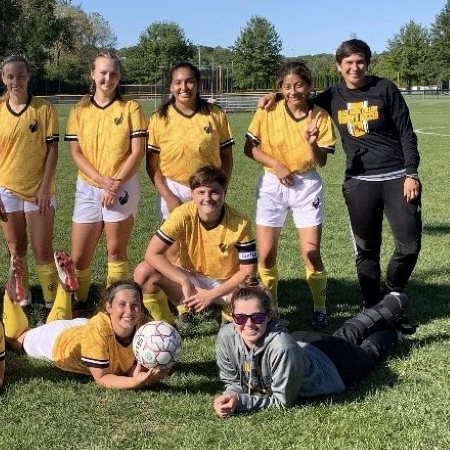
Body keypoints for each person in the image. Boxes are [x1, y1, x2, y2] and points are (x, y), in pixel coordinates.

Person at [258, 39, 421, 309]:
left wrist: (411, 173)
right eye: (349, 63)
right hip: (359, 182)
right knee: (366, 250)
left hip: (396, 177)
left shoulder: (385, 89)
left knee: (409, 246)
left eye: (360, 62)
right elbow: (299, 97)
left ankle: (392, 291)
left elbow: (406, 132)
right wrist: (274, 96)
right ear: (339, 66)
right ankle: (371, 304)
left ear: (367, 64)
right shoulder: (333, 96)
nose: (354, 67)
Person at [213, 278, 412, 417]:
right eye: (240, 317)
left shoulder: (282, 347)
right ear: (232, 316)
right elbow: (232, 379)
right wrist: (231, 394)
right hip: (306, 343)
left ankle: (393, 328)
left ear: (270, 316)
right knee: (344, 336)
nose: (248, 324)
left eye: (257, 317)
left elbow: (283, 401)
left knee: (369, 353)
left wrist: (241, 403)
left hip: (336, 367)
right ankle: (385, 307)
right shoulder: (226, 336)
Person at [244, 62, 336, 329]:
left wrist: (312, 142)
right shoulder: (268, 109)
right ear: (280, 89)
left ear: (308, 86)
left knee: (311, 254)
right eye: (287, 86)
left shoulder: (320, 116)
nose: (293, 91)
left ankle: (320, 307)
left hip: (306, 185)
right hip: (273, 183)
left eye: (299, 85)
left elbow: (321, 162)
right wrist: (277, 165)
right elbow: (250, 148)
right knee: (267, 254)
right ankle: (272, 310)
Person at [59, 51, 147, 309]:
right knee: (79, 256)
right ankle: (81, 301)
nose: (108, 78)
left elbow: (137, 151)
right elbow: (75, 152)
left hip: (122, 185)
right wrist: (100, 180)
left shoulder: (131, 107)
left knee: (115, 252)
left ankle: (116, 305)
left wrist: (115, 184)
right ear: (92, 74)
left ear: (119, 77)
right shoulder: (79, 110)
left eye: (114, 73)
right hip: (88, 186)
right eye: (103, 72)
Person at [0, 55, 60, 313]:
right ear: (3, 79)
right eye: (10, 76)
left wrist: (45, 187)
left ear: (29, 76)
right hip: (7, 191)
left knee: (42, 248)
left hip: (39, 191)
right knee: (16, 248)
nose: (16, 81)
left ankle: (51, 301)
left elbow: (52, 150)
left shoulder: (44, 109)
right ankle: (23, 297)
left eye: (21, 75)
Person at [133, 166, 257, 330]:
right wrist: (183, 280)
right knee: (144, 272)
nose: (207, 198)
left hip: (226, 282)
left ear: (224, 191)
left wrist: (210, 295)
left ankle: (228, 316)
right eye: (201, 192)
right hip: (191, 277)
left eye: (214, 191)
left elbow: (248, 271)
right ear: (192, 194)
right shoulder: (181, 215)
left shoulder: (240, 223)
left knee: (253, 297)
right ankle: (166, 328)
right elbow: (152, 253)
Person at [3, 279, 167, 390]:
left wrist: (154, 370)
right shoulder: (99, 332)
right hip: (61, 340)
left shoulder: (143, 327)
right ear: (108, 307)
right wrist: (134, 382)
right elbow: (102, 378)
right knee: (16, 341)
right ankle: (9, 297)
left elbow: (128, 364)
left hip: (83, 327)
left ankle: (64, 289)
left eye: (135, 305)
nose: (129, 311)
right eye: (122, 304)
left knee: (52, 323)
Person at [147, 62, 234, 219]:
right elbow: (151, 164)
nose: (184, 87)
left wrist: (221, 188)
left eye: (190, 81)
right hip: (173, 187)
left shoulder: (216, 114)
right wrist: (168, 197)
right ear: (171, 87)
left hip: (209, 189)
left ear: (198, 84)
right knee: (175, 243)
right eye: (178, 82)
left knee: (207, 241)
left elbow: (227, 157)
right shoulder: (158, 118)